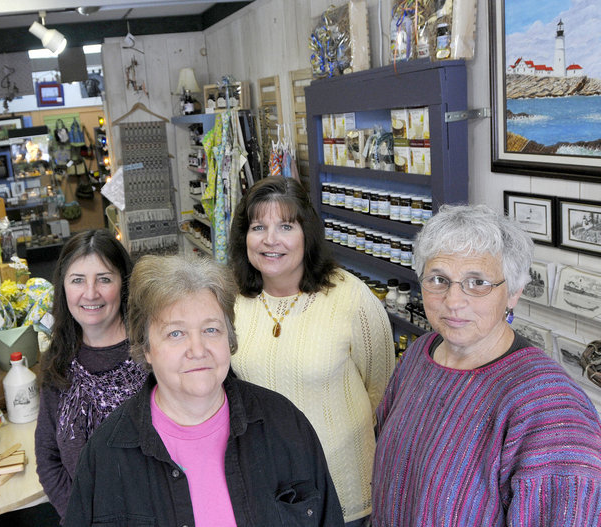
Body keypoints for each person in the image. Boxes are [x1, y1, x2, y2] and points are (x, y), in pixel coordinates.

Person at [63, 255, 344, 526]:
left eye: (211, 330)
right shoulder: (105, 457)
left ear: (229, 338)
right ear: (146, 347)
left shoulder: (285, 425)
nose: (198, 350)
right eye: (176, 333)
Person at [372, 204, 601, 526]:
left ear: (514, 292)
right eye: (439, 279)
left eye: (477, 282)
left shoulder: (551, 410)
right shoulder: (421, 353)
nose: (453, 300)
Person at [228, 175, 394, 526]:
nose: (270, 240)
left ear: (307, 235)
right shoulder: (230, 301)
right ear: (244, 237)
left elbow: (381, 388)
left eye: (285, 226)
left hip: (343, 489)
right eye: (259, 226)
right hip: (265, 489)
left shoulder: (351, 298)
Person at [35, 229, 147, 520]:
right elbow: (49, 460)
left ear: (123, 284)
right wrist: (80, 518)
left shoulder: (153, 353)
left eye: (104, 279)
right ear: (63, 287)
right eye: (77, 280)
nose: (90, 293)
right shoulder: (58, 362)